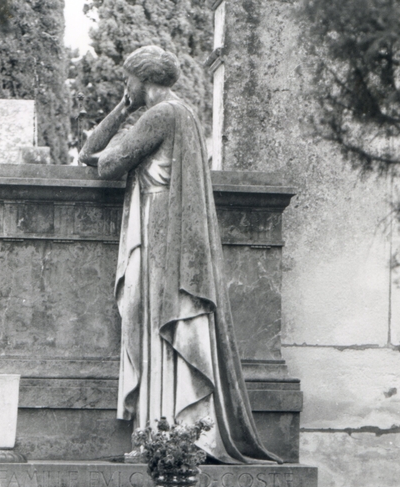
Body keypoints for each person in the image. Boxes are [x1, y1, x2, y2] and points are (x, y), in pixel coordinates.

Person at [79, 44, 281, 464]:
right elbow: (89, 155)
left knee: (160, 329)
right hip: (164, 230)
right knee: (158, 330)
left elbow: (104, 164)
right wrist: (123, 106)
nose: (125, 86)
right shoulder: (182, 113)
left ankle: (166, 433)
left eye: (128, 79)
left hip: (161, 233)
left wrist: (123, 109)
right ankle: (166, 432)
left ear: (143, 78)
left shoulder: (162, 115)